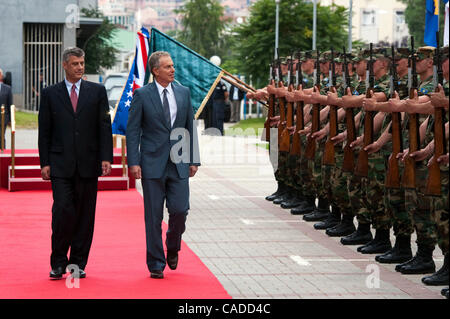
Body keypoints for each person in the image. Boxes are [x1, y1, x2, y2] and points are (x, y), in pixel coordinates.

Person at [38, 47, 113, 280]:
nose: (80, 67)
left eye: (82, 63)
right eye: (75, 64)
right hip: (60, 165)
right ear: (64, 65)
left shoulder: (97, 92)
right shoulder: (50, 93)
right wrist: (45, 162)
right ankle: (58, 262)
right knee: (62, 211)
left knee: (84, 215)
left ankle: (77, 263)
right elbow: (45, 131)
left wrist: (106, 157)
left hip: (89, 163)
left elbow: (104, 127)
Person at [126, 51, 200, 279]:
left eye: (173, 66)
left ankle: (173, 244)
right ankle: (156, 263)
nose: (173, 69)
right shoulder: (142, 95)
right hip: (151, 163)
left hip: (178, 162)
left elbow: (190, 126)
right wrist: (134, 161)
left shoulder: (183, 93)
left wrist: (194, 159)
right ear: (155, 70)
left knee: (180, 210)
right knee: (153, 216)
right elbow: (133, 130)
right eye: (168, 67)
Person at [0, 67, 13, 149]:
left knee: (1, 135)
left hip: (3, 117)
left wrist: (10, 120)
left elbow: (10, 104)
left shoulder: (7, 89)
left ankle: (2, 152)